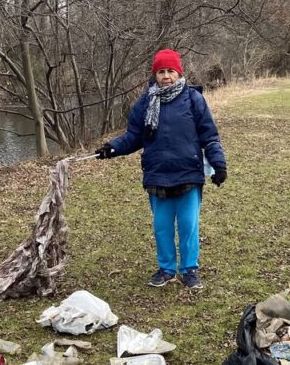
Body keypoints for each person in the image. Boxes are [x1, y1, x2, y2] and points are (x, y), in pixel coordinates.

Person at [95, 49, 227, 289]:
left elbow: (209, 135)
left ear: (179, 73)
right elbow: (134, 136)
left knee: (188, 224)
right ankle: (166, 269)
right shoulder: (145, 103)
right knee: (162, 226)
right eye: (161, 72)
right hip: (157, 174)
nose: (166, 76)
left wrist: (219, 164)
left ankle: (189, 269)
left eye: (170, 71)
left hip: (188, 172)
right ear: (155, 74)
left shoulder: (193, 99)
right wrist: (111, 148)